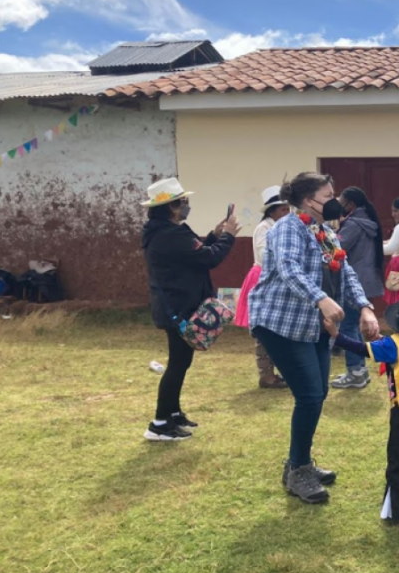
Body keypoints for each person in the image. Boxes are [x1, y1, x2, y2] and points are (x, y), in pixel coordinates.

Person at [249, 173, 380, 505]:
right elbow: (289, 268)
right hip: (280, 323)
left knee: (318, 392)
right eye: (329, 194)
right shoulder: (286, 229)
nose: (336, 199)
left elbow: (345, 269)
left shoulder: (324, 231)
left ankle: (299, 462)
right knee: (309, 395)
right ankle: (298, 472)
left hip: (314, 325)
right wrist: (321, 298)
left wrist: (364, 306)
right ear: (309, 201)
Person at [329, 292, 399, 526]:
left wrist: (336, 336)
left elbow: (362, 349)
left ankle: (394, 513)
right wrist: (380, 339)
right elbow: (397, 349)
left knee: (398, 461)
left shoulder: (393, 344)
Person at [141, 178, 239, 441]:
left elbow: (195, 253)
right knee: (178, 364)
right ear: (172, 207)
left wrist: (215, 236)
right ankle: (159, 424)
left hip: (174, 305)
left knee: (181, 362)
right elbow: (210, 258)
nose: (187, 206)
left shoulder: (163, 232)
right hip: (179, 307)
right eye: (183, 202)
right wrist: (228, 236)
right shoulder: (171, 234)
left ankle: (173, 414)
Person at [235, 187, 291, 389]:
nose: (287, 213)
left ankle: (276, 371)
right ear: (272, 211)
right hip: (264, 277)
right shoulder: (264, 228)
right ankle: (266, 374)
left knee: (278, 328)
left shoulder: (280, 227)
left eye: (288, 209)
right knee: (264, 329)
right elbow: (265, 255)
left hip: (276, 277)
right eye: (283, 210)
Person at [331, 187, 386, 390]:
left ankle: (355, 371)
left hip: (355, 280)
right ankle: (359, 370)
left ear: (350, 205)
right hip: (366, 278)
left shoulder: (353, 225)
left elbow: (335, 249)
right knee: (353, 325)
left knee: (348, 326)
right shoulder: (367, 222)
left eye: (340, 202)